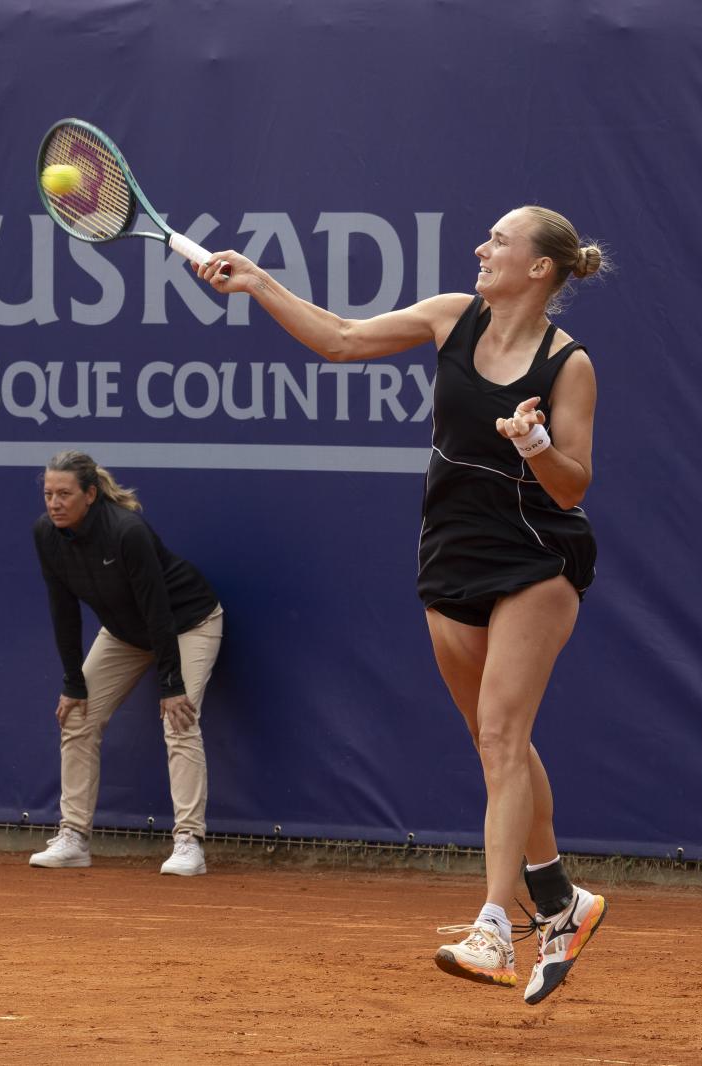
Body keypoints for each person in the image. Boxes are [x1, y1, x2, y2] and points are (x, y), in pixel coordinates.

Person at [196, 206, 608, 1003]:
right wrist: (258, 284)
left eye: (500, 241)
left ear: (539, 269)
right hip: (450, 552)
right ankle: (560, 901)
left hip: (538, 557)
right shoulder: (453, 316)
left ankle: (495, 926)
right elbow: (342, 340)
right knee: (498, 749)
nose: (482, 248)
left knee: (500, 734)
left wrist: (534, 446)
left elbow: (573, 481)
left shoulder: (569, 365)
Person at [30, 451, 224, 876]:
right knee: (76, 715)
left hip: (188, 622)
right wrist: (72, 680)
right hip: (125, 633)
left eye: (64, 493)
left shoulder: (126, 531)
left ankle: (189, 840)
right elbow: (62, 609)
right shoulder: (46, 534)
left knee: (180, 720)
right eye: (48, 493)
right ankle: (74, 838)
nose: (54, 503)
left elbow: (159, 611)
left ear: (91, 495)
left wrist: (171, 683)